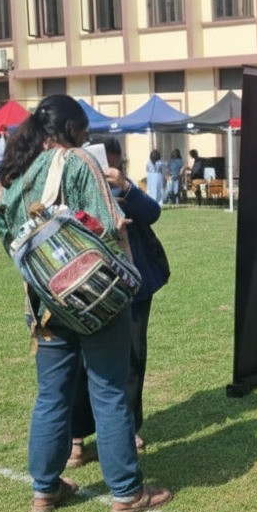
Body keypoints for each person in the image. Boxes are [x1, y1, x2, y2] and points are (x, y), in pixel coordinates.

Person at [0, 94, 171, 512]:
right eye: (83, 131)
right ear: (71, 130)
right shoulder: (77, 162)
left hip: (44, 302)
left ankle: (45, 489)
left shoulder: (12, 175)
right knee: (108, 391)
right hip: (93, 298)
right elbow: (108, 224)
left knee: (51, 397)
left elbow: (8, 239)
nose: (85, 138)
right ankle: (126, 493)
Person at [68, 136, 170, 468]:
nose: (110, 169)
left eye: (116, 163)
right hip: (89, 283)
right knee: (83, 362)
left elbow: (153, 213)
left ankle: (127, 428)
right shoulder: (76, 185)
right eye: (104, 163)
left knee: (133, 357)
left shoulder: (126, 189)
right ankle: (77, 438)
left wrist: (124, 187)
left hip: (133, 284)